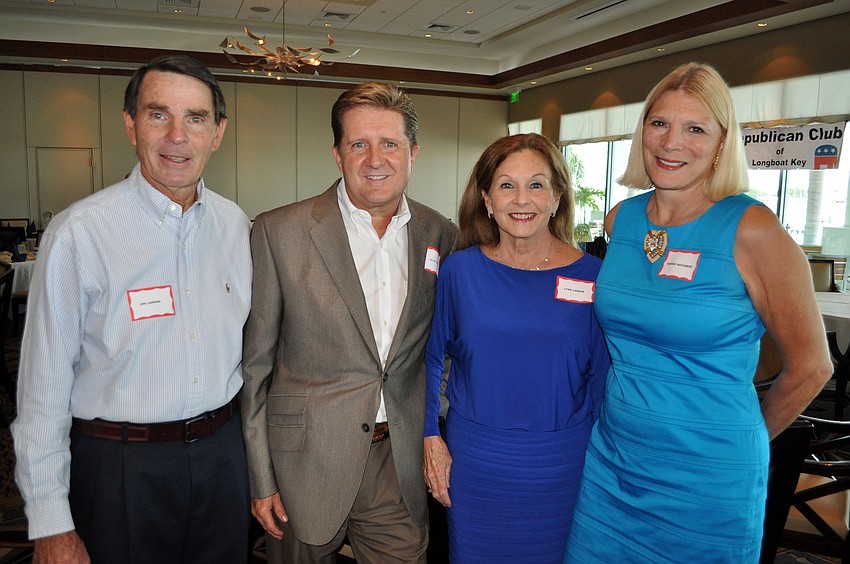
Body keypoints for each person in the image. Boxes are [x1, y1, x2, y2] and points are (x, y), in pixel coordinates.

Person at [564, 62, 833, 563]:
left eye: (695, 129)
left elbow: (813, 366)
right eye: (659, 123)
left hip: (708, 478)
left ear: (721, 142)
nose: (671, 143)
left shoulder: (753, 230)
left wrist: (742, 439)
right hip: (613, 461)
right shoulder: (621, 219)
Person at [12, 55, 253, 563]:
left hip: (222, 459)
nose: (177, 136)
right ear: (130, 125)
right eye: (157, 114)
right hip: (119, 468)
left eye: (195, 117)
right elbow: (41, 390)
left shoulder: (237, 228)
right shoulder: (80, 233)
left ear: (218, 132)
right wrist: (51, 521)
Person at [241, 81, 457, 563]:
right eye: (358, 144)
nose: (374, 159)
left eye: (390, 144)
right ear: (337, 154)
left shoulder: (439, 232)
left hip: (395, 462)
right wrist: (261, 477)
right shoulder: (280, 232)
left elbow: (442, 344)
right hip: (303, 464)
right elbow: (255, 367)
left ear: (413, 153)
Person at [423, 133, 610, 563]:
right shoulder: (460, 271)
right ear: (487, 198)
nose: (521, 199)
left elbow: (602, 378)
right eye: (507, 185)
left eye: (537, 184)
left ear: (558, 197)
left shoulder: (595, 276)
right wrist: (431, 436)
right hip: (476, 462)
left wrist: (605, 464)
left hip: (565, 462)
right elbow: (432, 358)